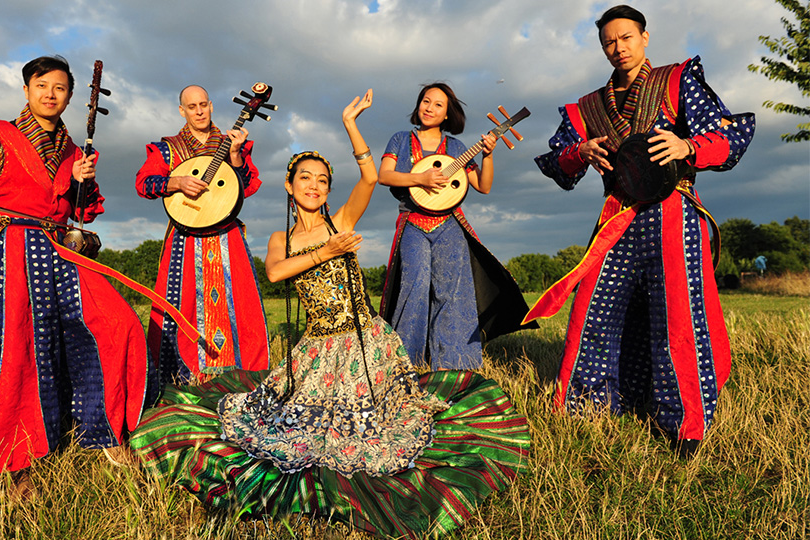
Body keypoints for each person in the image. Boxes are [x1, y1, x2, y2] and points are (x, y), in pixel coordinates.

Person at [130, 91, 530, 539]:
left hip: (364, 343)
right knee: (292, 430)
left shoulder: (343, 219)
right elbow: (278, 272)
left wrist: (349, 123)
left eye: (322, 179)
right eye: (305, 178)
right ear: (289, 185)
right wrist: (326, 250)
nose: (314, 186)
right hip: (317, 350)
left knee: (373, 431)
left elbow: (369, 175)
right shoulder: (281, 239)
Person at [0, 55, 154, 498]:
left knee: (118, 325)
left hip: (59, 249)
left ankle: (105, 430)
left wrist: (82, 181)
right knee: (15, 351)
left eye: (60, 88)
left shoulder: (77, 151)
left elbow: (79, 210)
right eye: (42, 85)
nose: (50, 93)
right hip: (6, 247)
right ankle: (12, 458)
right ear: (26, 89)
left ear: (71, 97)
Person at [528, 5, 755, 455]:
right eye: (609, 42)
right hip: (616, 216)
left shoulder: (676, 79)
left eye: (626, 38)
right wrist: (581, 152)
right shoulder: (586, 107)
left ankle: (683, 424)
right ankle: (586, 410)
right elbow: (556, 163)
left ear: (644, 38)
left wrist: (687, 144)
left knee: (677, 317)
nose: (619, 48)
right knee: (593, 308)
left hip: (674, 210)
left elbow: (732, 133)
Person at [377, 82, 534, 371]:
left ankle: (455, 364)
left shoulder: (457, 148)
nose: (430, 108)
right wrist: (420, 179)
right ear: (418, 104)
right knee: (415, 285)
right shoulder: (400, 139)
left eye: (438, 104)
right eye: (426, 101)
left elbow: (483, 187)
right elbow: (385, 176)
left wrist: (488, 155)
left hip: (449, 225)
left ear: (448, 114)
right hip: (413, 222)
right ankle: (405, 365)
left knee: (452, 292)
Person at [135, 85, 269, 384]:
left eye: (203, 105)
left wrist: (235, 154)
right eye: (191, 106)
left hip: (226, 236)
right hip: (184, 236)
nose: (198, 111)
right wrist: (177, 181)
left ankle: (242, 379)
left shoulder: (231, 142)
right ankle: (179, 379)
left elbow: (245, 187)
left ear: (211, 106)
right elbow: (144, 184)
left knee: (240, 306)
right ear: (182, 111)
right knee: (180, 306)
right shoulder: (166, 149)